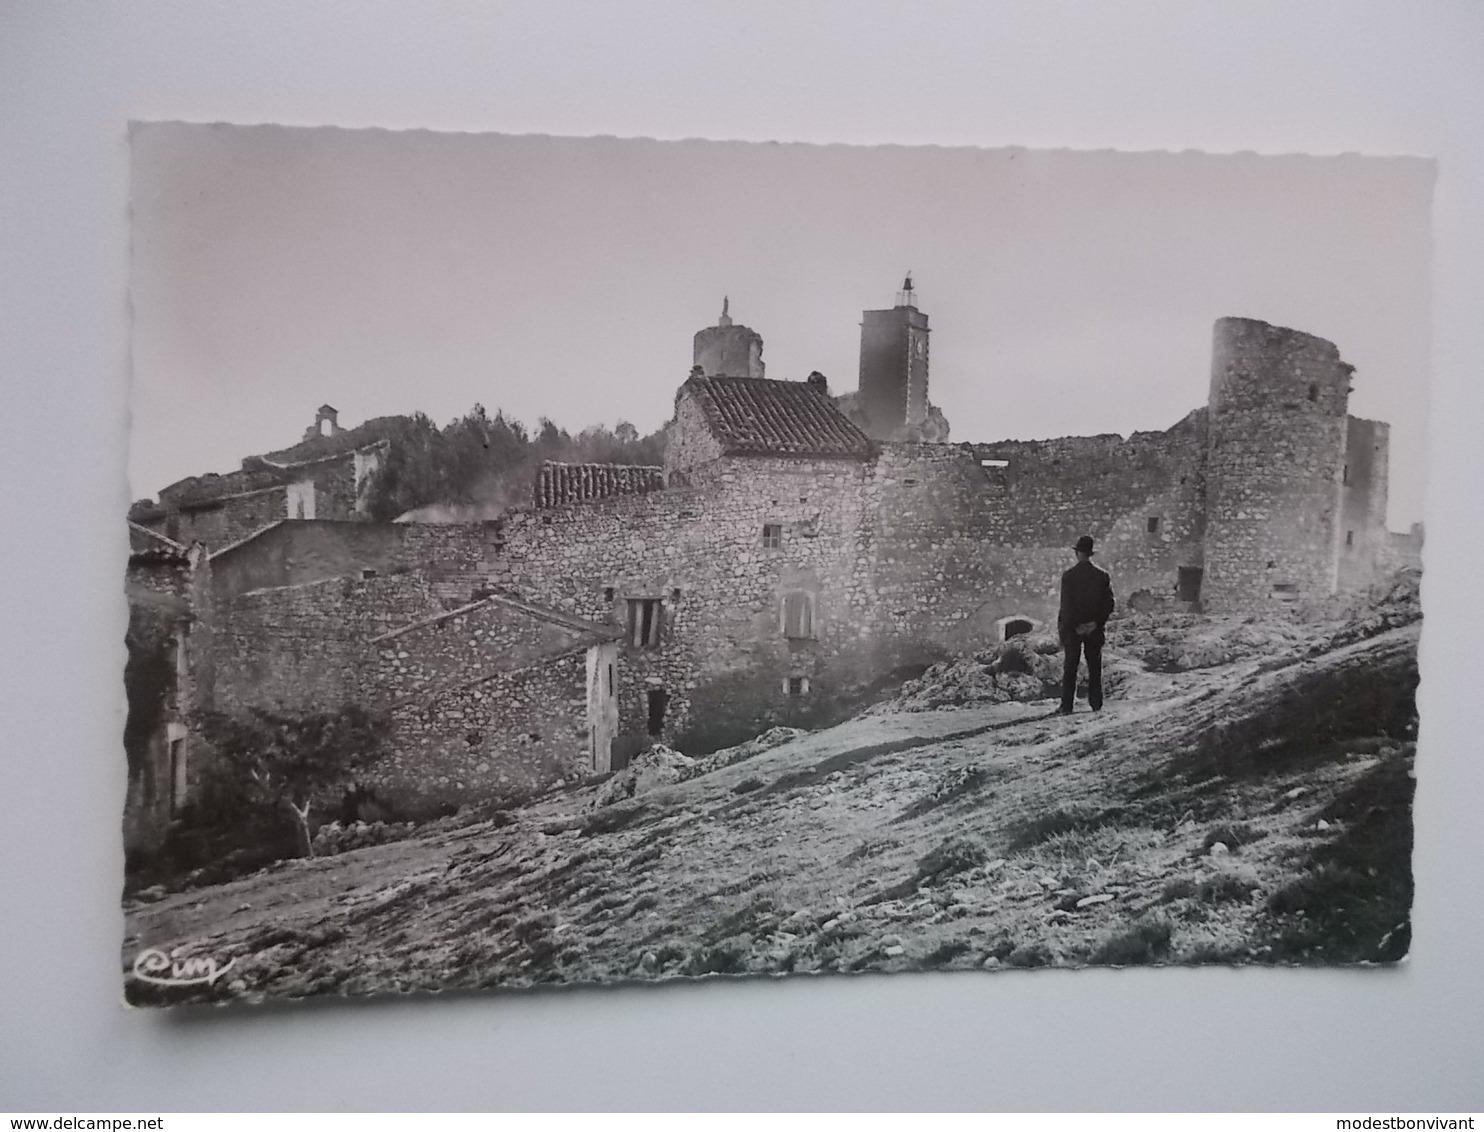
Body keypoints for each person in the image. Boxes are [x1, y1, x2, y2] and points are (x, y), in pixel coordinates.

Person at [1058, 534, 1116, 714]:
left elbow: (1066, 606)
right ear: (1090, 554)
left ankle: (1067, 705)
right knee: (1094, 665)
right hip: (1094, 629)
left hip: (1073, 630)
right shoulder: (1102, 576)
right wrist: (1095, 623)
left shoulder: (1069, 576)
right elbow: (1109, 604)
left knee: (1070, 667)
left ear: (1078, 554)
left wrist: (1076, 625)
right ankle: (1096, 703)